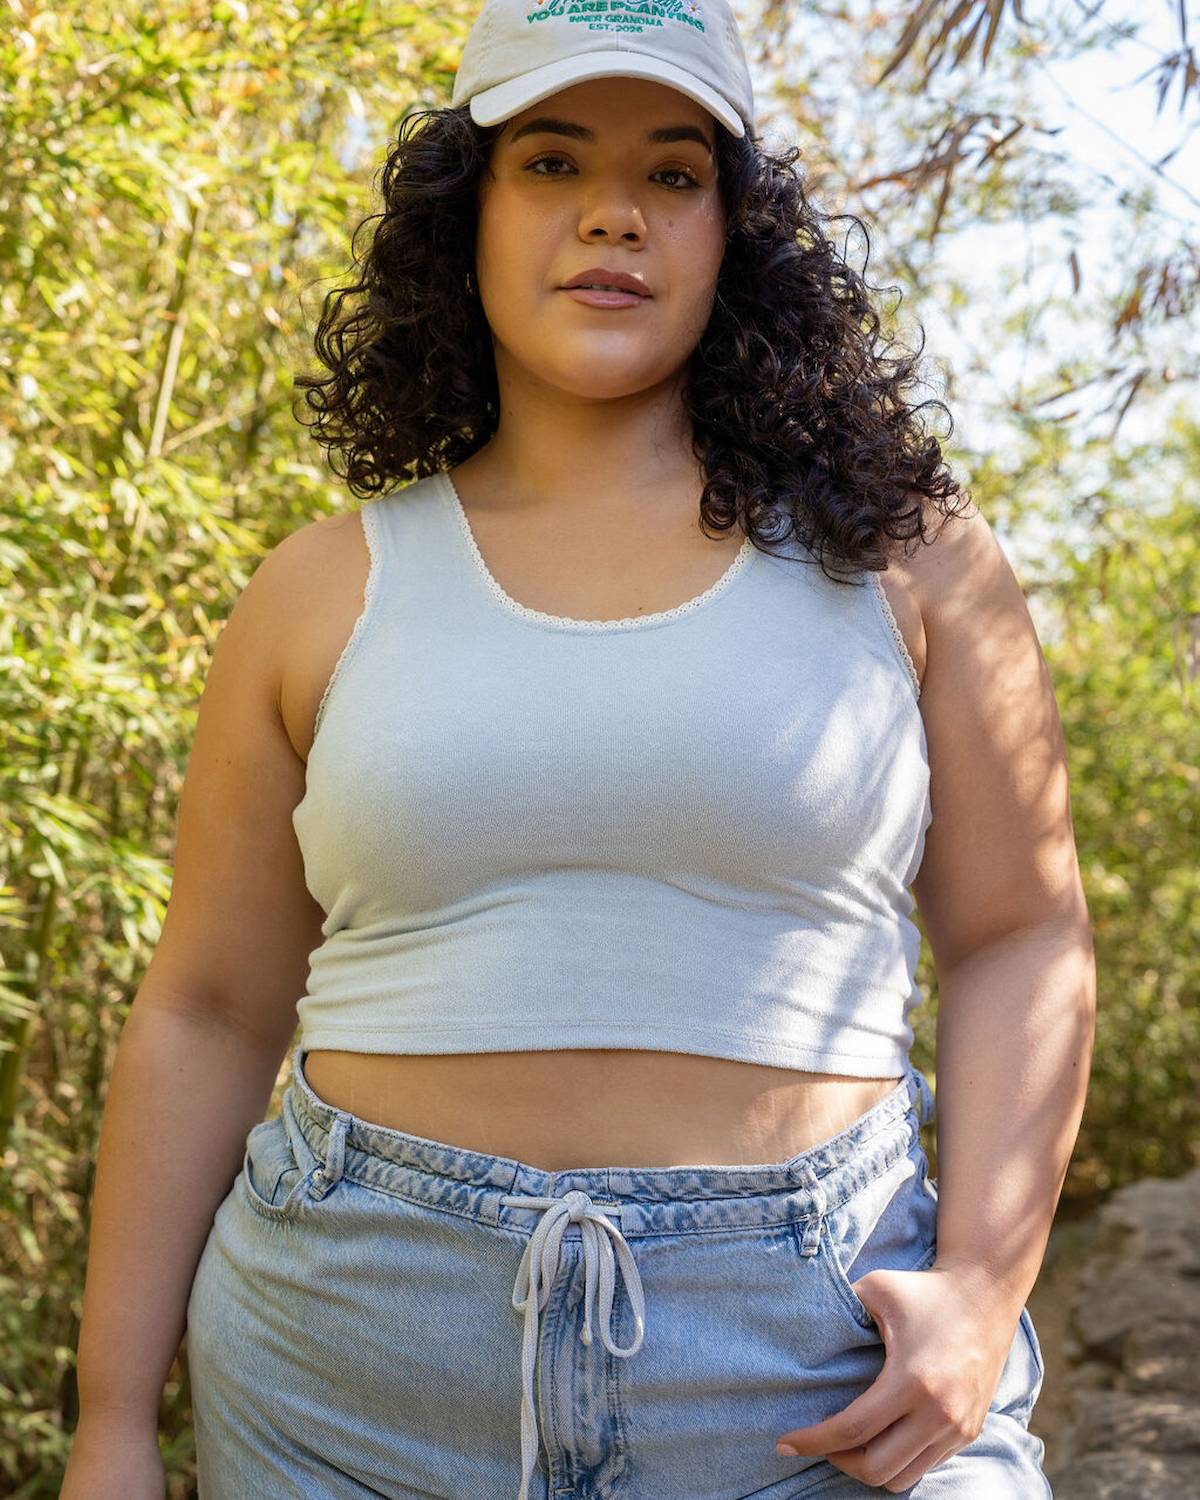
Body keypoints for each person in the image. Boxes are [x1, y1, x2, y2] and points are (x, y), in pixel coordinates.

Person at [62, 1, 1095, 1497]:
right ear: (464, 214)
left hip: (824, 1365)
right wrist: (109, 1420)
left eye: (674, 174)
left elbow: (1021, 937)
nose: (616, 212)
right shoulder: (316, 590)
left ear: (738, 235)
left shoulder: (909, 559)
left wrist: (986, 1287)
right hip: (348, 1371)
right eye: (552, 162)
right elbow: (208, 1012)